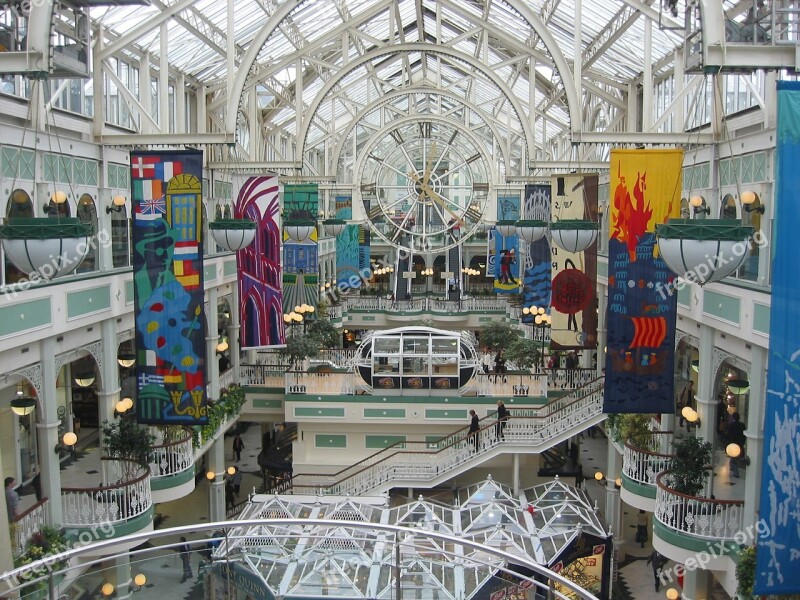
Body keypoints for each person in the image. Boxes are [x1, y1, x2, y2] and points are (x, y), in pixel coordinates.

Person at [727, 412, 746, 478]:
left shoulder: (731, 425)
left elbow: (728, 434)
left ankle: (736, 472)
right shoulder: (742, 425)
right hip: (740, 443)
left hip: (734, 444)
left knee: (734, 458)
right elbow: (744, 435)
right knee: (734, 457)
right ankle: (733, 466)